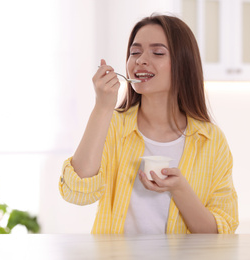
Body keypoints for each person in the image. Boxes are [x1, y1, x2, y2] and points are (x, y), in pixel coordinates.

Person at [59, 14, 238, 234]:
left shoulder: (210, 140)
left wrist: (179, 188)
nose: (141, 60)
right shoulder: (113, 124)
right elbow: (76, 192)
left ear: (184, 64)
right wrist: (102, 107)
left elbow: (219, 233)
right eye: (135, 52)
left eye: (158, 52)